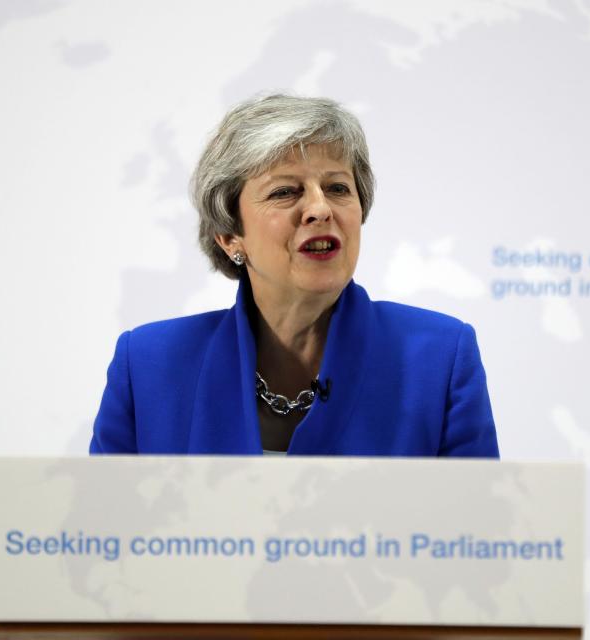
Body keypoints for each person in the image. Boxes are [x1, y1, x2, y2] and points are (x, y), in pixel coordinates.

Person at [90, 94, 499, 457]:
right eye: (285, 191)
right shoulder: (147, 365)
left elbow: (480, 532)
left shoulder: (440, 357)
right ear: (231, 235)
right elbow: (100, 533)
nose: (320, 209)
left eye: (338, 188)